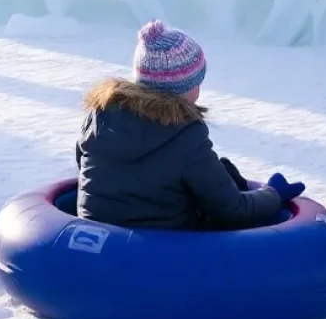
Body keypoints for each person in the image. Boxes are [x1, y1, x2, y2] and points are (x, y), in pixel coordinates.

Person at [76, 21, 304, 230]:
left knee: (223, 171)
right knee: (223, 185)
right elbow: (232, 210)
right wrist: (273, 193)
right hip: (166, 251)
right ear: (184, 86)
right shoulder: (184, 136)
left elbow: (86, 168)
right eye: (197, 81)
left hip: (97, 245)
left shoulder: (99, 115)